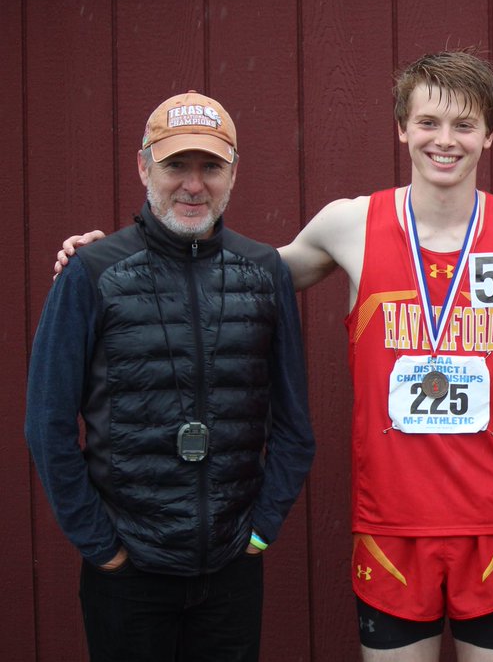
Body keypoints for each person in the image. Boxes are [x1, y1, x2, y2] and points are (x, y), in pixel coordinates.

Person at [54, 52, 493, 661]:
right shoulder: (349, 224)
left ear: (489, 134)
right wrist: (110, 256)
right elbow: (235, 275)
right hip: (391, 521)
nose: (445, 141)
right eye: (429, 122)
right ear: (402, 127)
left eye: (464, 125)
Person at [26, 91, 315, 662]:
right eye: (175, 165)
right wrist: (101, 546)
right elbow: (47, 424)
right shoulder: (92, 273)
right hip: (127, 572)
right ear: (143, 167)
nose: (193, 184)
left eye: (210, 166)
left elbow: (294, 425)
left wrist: (260, 530)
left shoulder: (264, 272)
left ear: (233, 173)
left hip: (232, 569)